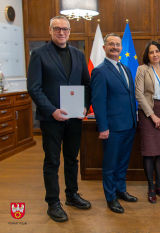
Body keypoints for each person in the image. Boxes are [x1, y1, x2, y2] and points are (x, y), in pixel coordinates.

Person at [27, 16, 91, 222]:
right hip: (52, 119)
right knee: (52, 161)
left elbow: (86, 84)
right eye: (57, 29)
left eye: (65, 29)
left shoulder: (78, 54)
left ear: (70, 31)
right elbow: (34, 88)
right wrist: (52, 110)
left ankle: (72, 195)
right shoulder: (38, 54)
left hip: (74, 118)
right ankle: (53, 202)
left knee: (72, 159)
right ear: (50, 30)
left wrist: (84, 106)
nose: (61, 32)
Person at [90, 33, 138, 214]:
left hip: (129, 125)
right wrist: (103, 127)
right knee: (110, 165)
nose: (115, 47)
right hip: (112, 127)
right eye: (111, 44)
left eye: (118, 45)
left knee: (123, 162)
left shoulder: (125, 69)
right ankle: (111, 198)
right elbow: (98, 101)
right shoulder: (100, 71)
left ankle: (120, 190)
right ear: (104, 48)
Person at [135, 41, 160, 203]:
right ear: (147, 55)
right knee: (149, 151)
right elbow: (139, 94)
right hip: (147, 113)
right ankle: (150, 187)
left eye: (157, 51)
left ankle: (159, 185)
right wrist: (153, 116)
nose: (155, 54)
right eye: (151, 52)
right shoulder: (142, 69)